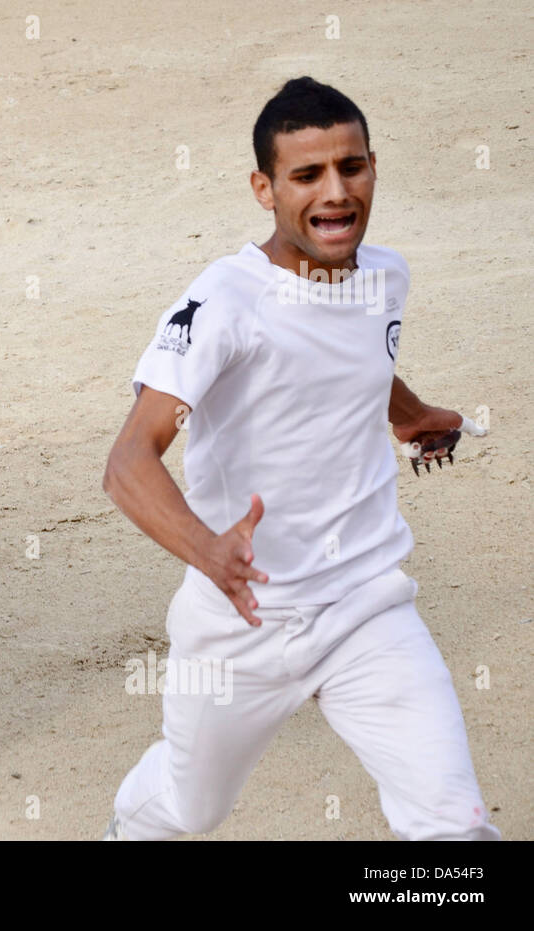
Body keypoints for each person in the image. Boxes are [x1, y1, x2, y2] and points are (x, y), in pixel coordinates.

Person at [101, 76, 498, 840]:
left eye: (351, 167)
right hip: (241, 621)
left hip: (364, 605)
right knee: (190, 808)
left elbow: (356, 358)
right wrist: (210, 552)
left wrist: (412, 416)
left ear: (373, 168)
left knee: (457, 827)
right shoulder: (225, 303)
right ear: (265, 187)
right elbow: (129, 460)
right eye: (307, 175)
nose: (336, 192)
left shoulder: (385, 278)